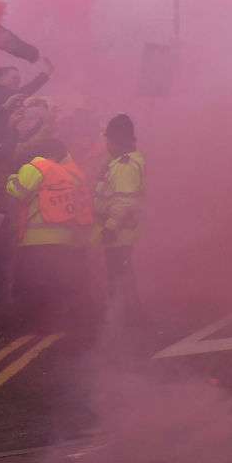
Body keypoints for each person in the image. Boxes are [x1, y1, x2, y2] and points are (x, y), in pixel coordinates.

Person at [6, 137, 93, 331]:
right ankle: (62, 322)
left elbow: (19, 192)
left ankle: (37, 325)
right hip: (66, 238)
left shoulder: (37, 166)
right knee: (58, 283)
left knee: (32, 284)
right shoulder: (71, 173)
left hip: (35, 239)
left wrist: (11, 177)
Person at [94, 114, 145, 323]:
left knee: (118, 275)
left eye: (108, 140)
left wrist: (110, 226)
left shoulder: (125, 165)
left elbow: (125, 201)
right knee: (122, 273)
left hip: (119, 231)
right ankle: (129, 316)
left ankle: (122, 320)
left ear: (116, 141)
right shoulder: (121, 162)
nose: (106, 144)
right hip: (121, 230)